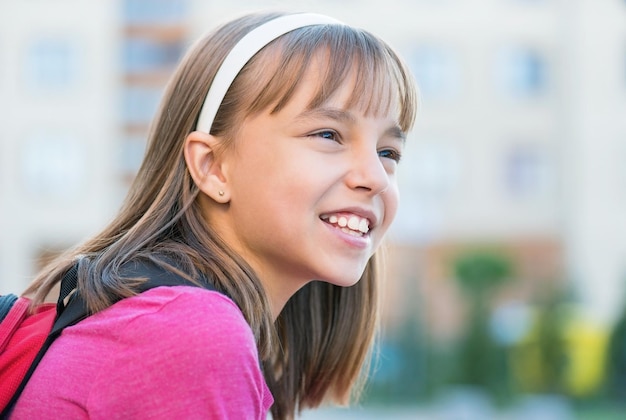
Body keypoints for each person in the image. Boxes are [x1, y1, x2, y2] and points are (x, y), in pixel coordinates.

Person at [10, 10, 417, 420]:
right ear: (212, 167)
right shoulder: (187, 333)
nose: (375, 178)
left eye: (388, 153)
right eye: (328, 135)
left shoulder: (164, 317)